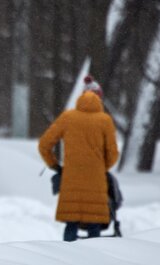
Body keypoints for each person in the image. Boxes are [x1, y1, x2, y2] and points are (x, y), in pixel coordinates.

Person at [37, 75, 119, 242]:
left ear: (81, 96)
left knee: (71, 224)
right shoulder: (105, 121)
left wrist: (56, 166)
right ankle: (93, 262)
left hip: (71, 179)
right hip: (96, 180)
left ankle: (67, 260)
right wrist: (101, 167)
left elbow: (44, 145)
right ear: (99, 98)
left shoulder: (67, 117)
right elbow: (113, 154)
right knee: (94, 225)